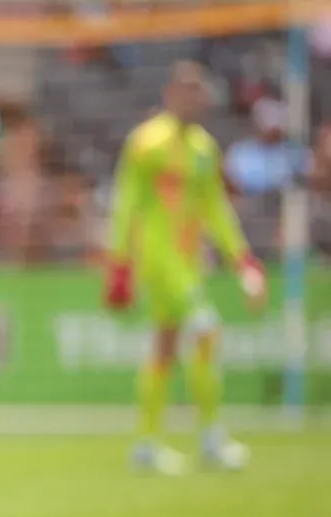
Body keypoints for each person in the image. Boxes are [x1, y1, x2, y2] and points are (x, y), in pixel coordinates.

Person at [104, 61, 267, 475]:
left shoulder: (204, 149)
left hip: (191, 263)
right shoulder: (146, 143)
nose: (193, 97)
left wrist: (242, 259)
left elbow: (215, 208)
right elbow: (127, 204)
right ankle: (211, 437)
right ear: (170, 93)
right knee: (207, 331)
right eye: (186, 89)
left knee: (164, 347)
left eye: (199, 90)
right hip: (160, 262)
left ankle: (146, 443)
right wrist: (120, 265)